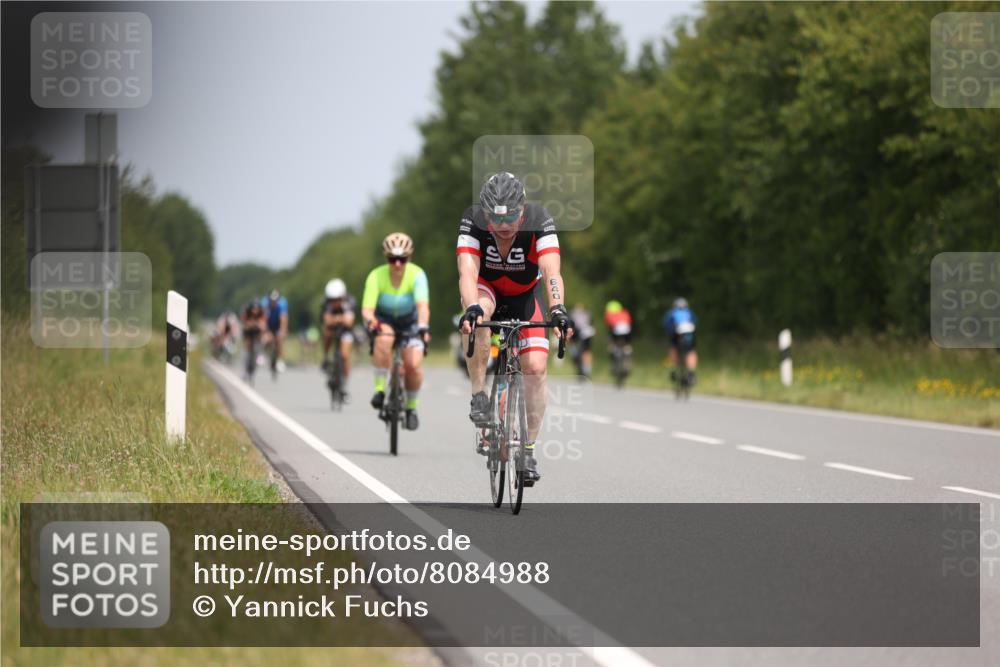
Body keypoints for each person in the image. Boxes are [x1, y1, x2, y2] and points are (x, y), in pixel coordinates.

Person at [457, 171, 573, 484]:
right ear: (484, 215)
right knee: (479, 316)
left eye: (511, 216)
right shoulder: (472, 220)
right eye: (495, 220)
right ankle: (479, 395)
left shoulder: (539, 218)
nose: (504, 226)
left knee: (535, 368)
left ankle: (528, 448)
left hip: (526, 295)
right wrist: (470, 309)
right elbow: (467, 273)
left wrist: (558, 308)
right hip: (488, 291)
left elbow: (551, 271)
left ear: (522, 210)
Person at [362, 233, 430, 430]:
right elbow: (367, 309)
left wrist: (423, 326)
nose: (398, 264)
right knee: (383, 338)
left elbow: (422, 306)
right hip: (384, 319)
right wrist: (371, 321)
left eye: (402, 259)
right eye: (393, 259)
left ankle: (411, 408)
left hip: (410, 320)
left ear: (409, 258)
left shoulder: (417, 274)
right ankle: (380, 390)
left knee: (413, 365)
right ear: (386, 258)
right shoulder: (376, 275)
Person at [321, 278, 357, 395]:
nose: (335, 302)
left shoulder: (350, 301)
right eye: (332, 300)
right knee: (327, 334)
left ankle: (344, 383)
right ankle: (326, 357)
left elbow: (349, 322)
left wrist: (335, 319)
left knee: (345, 355)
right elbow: (326, 321)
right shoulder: (325, 303)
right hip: (331, 329)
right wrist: (339, 319)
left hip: (346, 330)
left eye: (337, 299)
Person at [664, 297, 698, 384]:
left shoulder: (672, 313)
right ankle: (691, 373)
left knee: (673, 347)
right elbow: (694, 322)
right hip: (688, 332)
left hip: (676, 333)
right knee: (691, 351)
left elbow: (667, 324)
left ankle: (675, 369)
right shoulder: (689, 312)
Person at [240, 299, 266, 378]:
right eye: (253, 309)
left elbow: (263, 325)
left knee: (262, 339)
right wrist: (250, 324)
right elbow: (244, 325)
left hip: (257, 331)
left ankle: (259, 354)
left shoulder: (262, 313)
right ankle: (246, 368)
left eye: (257, 309)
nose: (255, 311)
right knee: (248, 345)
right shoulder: (247, 312)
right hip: (248, 331)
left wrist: (259, 325)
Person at [264, 290, 289, 373]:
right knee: (268, 340)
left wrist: (283, 331)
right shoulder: (267, 307)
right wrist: (266, 332)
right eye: (272, 300)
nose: (274, 302)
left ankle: (280, 360)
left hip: (277, 326)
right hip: (269, 326)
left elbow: (283, 319)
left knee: (279, 340)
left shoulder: (281, 306)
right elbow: (264, 321)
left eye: (276, 300)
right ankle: (267, 354)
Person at [570, 303, 595, 379]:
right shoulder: (587, 314)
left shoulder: (574, 314)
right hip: (580, 335)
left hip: (583, 335)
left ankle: (586, 369)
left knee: (585, 351)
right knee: (586, 351)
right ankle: (586, 369)